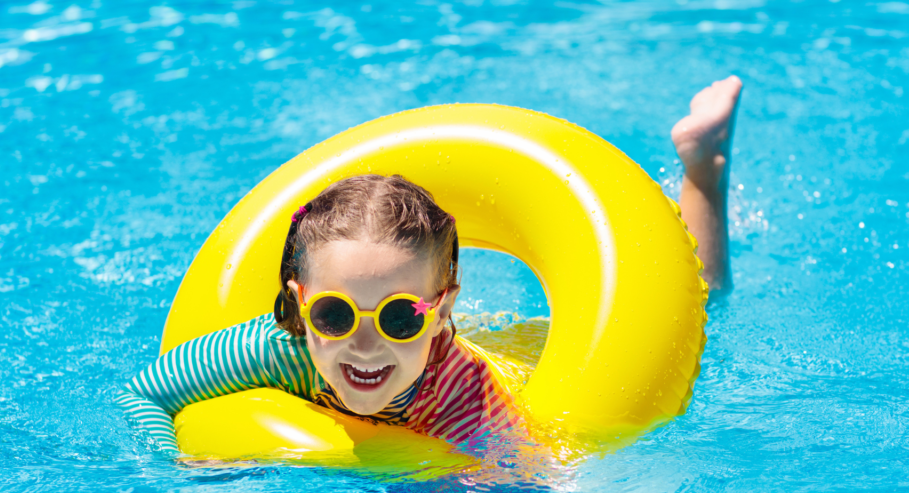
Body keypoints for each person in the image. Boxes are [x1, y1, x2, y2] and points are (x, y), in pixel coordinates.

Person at [117, 76, 743, 452]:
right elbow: (142, 393)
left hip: (521, 362)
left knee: (698, 300)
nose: (364, 345)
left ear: (442, 307)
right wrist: (178, 468)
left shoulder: (463, 396)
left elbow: (539, 484)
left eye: (398, 317)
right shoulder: (274, 347)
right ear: (300, 304)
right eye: (334, 314)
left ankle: (703, 170)